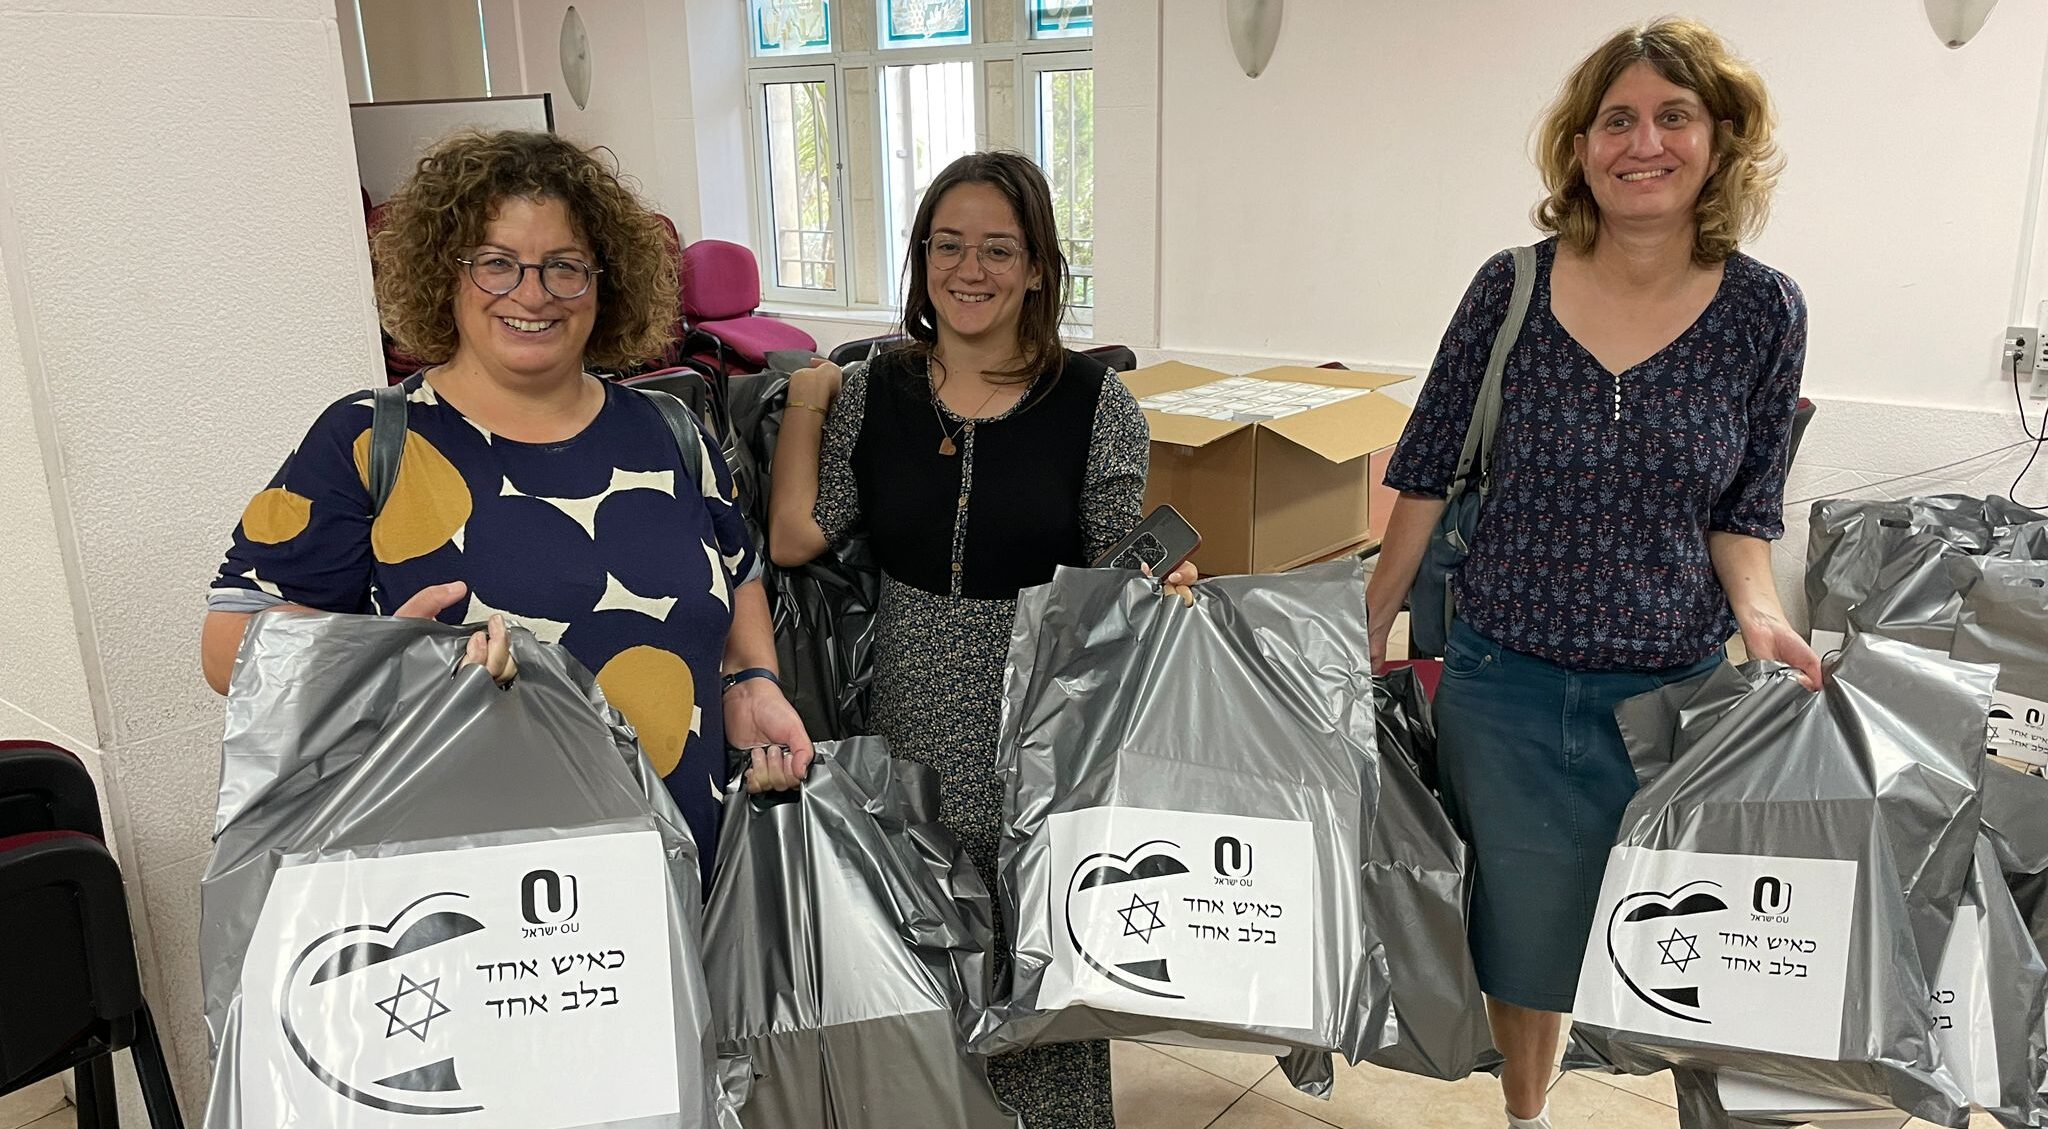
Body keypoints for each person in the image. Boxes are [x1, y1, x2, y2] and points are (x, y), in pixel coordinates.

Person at [1364, 20, 1815, 1129]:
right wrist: (1366, 618)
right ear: (1579, 147)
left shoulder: (1763, 311)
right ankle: (1527, 1112)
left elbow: (1742, 510)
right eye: (1617, 119)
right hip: (1504, 686)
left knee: (1682, 940)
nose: (1642, 143)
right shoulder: (1509, 287)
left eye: (1673, 117)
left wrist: (1760, 616)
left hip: (1672, 701)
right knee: (1522, 942)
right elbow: (1425, 469)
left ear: (1719, 141)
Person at [201, 130, 812, 881]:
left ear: (605, 282)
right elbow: (227, 648)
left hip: (687, 868)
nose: (532, 293)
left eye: (565, 266)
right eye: (496, 263)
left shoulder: (671, 431)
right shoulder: (368, 441)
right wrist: (383, 658)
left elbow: (739, 575)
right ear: (445, 273)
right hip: (476, 894)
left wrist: (751, 683)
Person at [768, 150, 1192, 1127]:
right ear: (921, 260)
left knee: (1040, 944)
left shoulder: (1096, 405)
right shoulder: (875, 391)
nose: (969, 269)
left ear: (1038, 267)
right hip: (909, 711)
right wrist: (807, 398)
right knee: (921, 945)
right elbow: (795, 534)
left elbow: (1112, 571)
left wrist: (1163, 580)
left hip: (1041, 717)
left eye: (998, 249)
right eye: (946, 245)